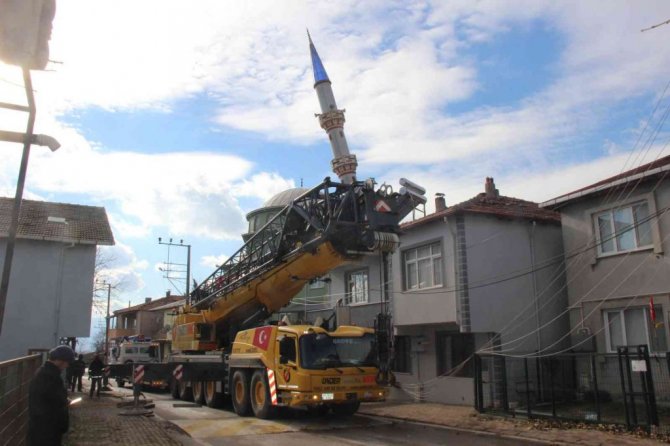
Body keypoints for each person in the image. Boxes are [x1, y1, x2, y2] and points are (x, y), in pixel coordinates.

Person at [27, 345, 75, 446]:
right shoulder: (50, 376)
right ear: (61, 360)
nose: (67, 366)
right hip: (46, 428)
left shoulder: (46, 373)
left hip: (43, 427)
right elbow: (54, 400)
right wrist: (64, 401)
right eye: (67, 362)